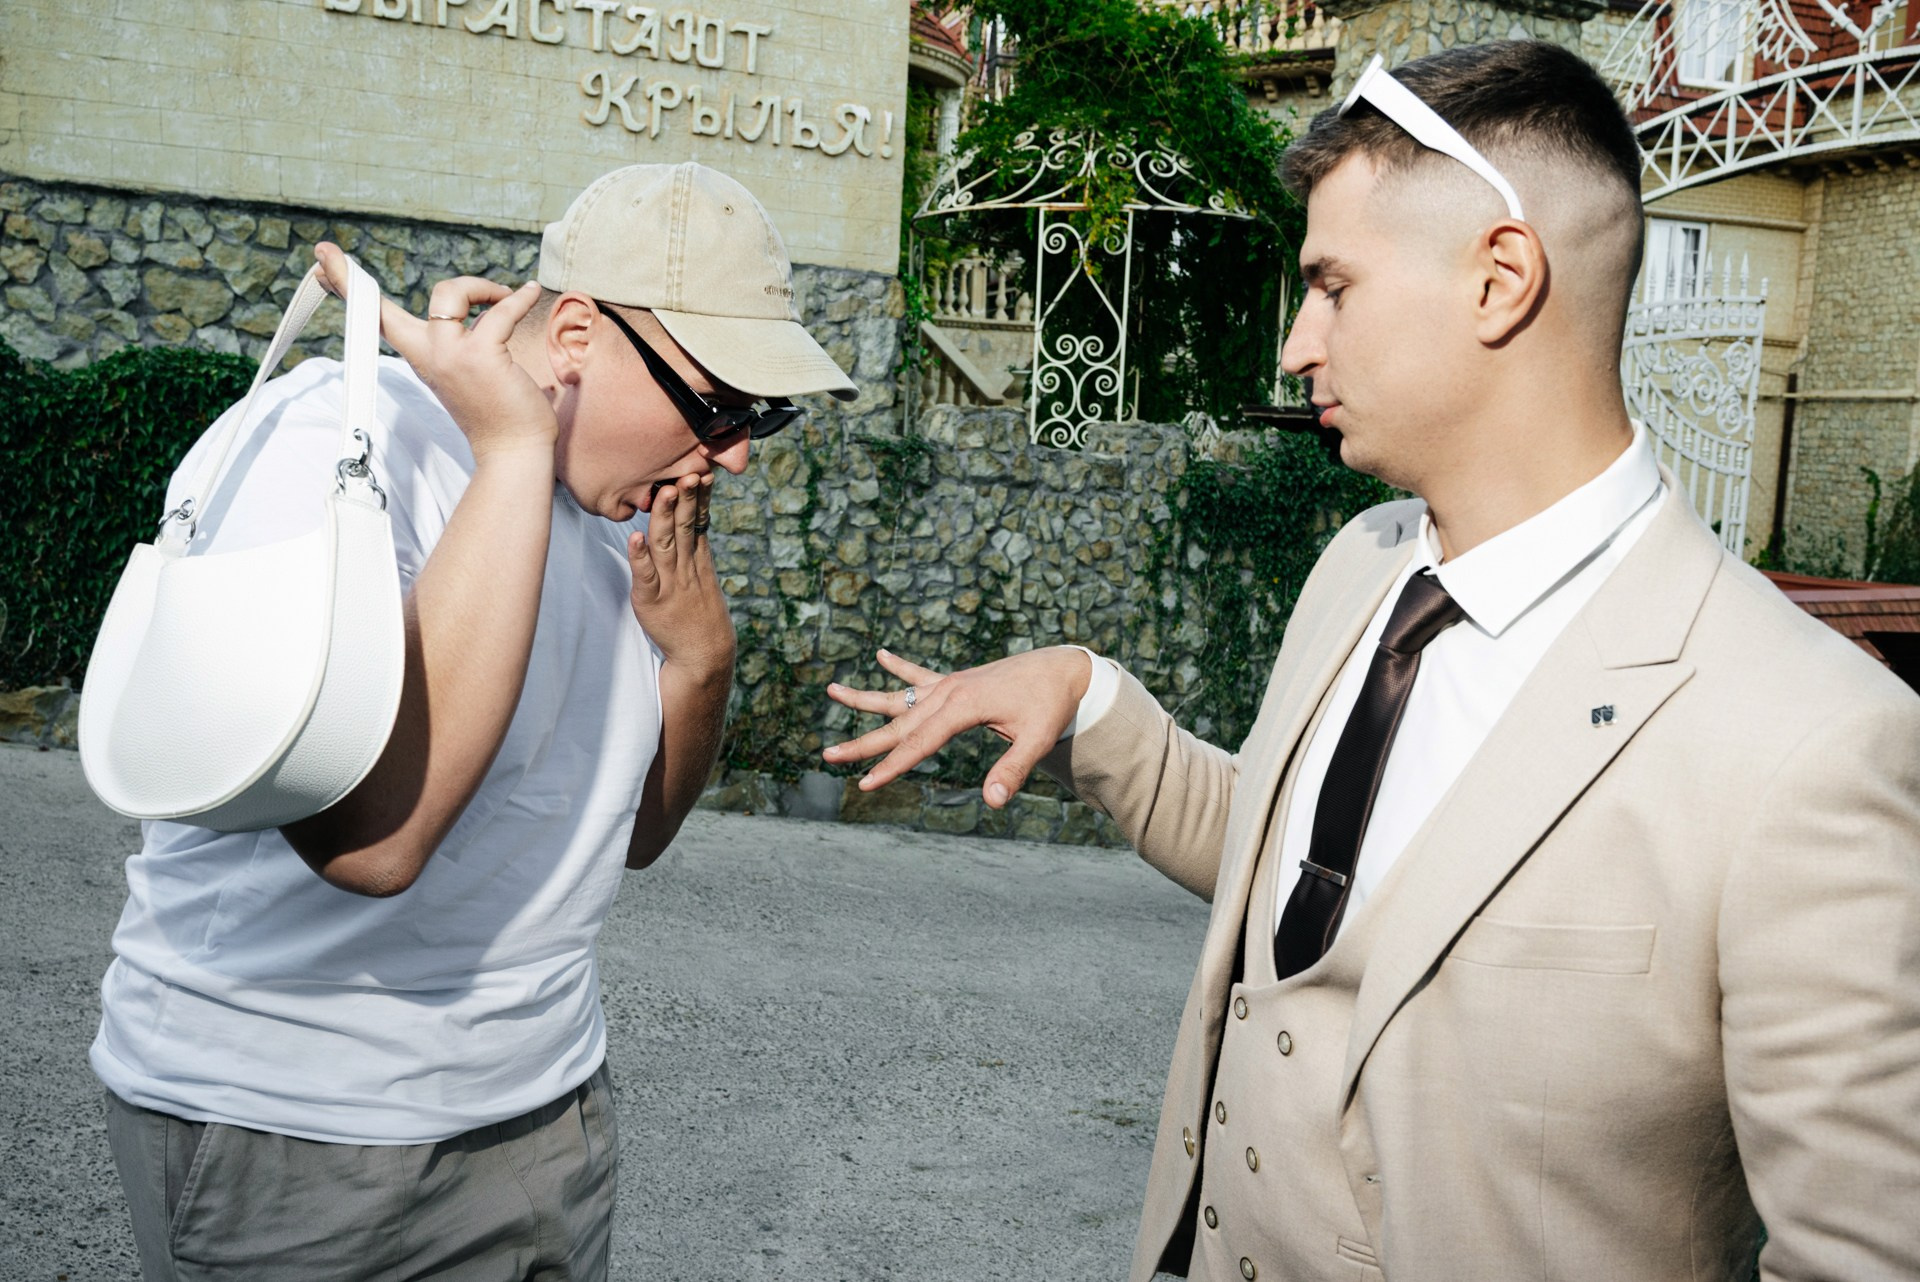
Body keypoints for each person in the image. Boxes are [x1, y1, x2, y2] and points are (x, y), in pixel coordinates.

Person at [825, 42, 1920, 1282]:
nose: (1297, 345)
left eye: (1333, 287)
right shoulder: (1362, 563)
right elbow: (1294, 870)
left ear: (1500, 280)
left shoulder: (1812, 741)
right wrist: (1090, 697)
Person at [93, 161, 856, 1280]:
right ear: (578, 335)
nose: (736, 451)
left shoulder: (616, 512)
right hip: (298, 1132)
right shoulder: (334, 439)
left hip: (550, 1114)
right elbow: (372, 841)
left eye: (763, 416)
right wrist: (510, 453)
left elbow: (631, 835)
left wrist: (701, 659)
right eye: (718, 404)